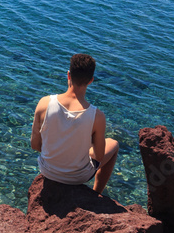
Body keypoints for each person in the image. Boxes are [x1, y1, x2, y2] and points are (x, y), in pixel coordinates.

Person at [30, 53, 119, 194]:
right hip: (78, 178)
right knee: (113, 144)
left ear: (68, 75)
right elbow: (99, 156)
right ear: (91, 80)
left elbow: (35, 145)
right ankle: (96, 194)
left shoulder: (44, 103)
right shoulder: (97, 116)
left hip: (47, 171)